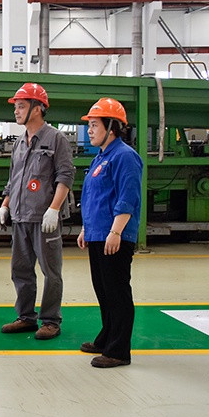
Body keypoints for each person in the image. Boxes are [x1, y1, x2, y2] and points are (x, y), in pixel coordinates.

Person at [0, 83, 75, 340]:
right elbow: (13, 180)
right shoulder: (20, 142)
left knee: (51, 271)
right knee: (20, 270)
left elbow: (65, 176)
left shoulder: (56, 139)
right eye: (16, 107)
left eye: (21, 106)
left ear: (37, 108)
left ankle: (51, 320)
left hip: (44, 219)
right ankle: (26, 317)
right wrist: (5, 205)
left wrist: (54, 209)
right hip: (20, 216)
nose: (16, 111)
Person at [77, 98, 143, 368]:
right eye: (89, 125)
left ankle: (118, 351)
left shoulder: (124, 156)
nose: (89, 130)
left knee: (116, 292)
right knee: (103, 290)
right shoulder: (102, 157)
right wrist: (86, 228)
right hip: (98, 234)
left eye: (95, 125)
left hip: (114, 236)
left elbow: (128, 197)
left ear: (112, 127)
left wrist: (116, 231)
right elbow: (93, 197)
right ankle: (107, 337)